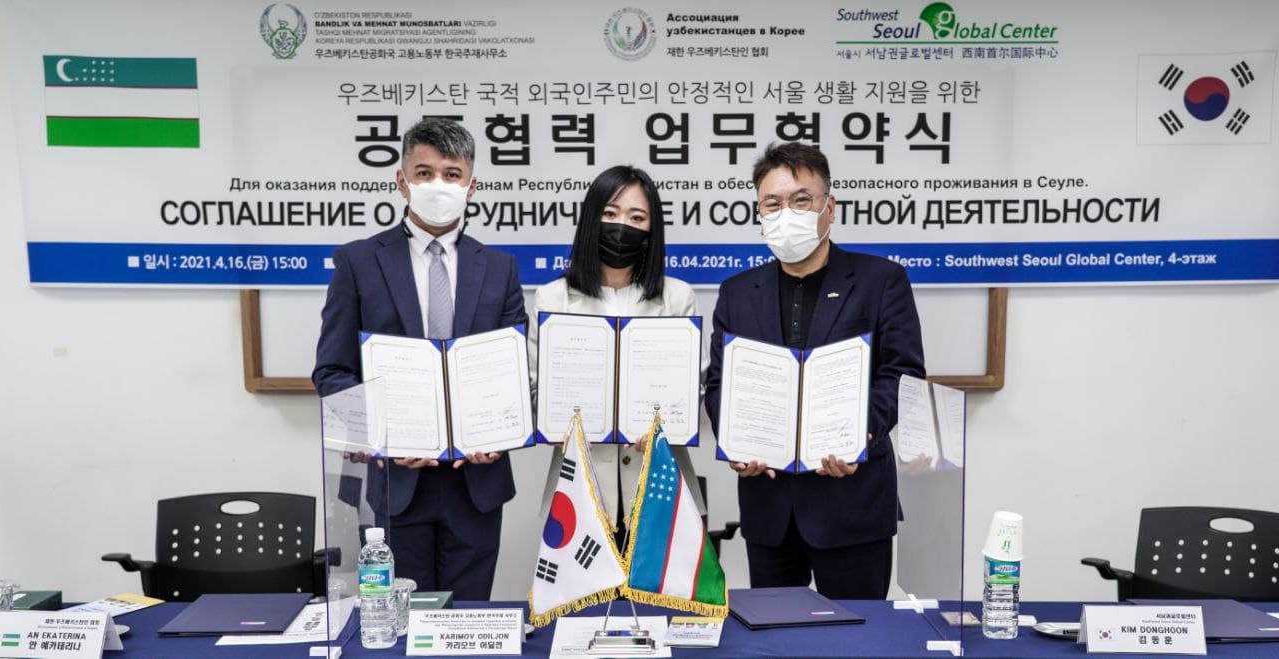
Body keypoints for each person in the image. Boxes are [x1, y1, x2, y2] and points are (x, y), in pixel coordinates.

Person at [312, 118, 526, 600]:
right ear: (401, 181)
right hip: (393, 480)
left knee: (466, 623)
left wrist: (498, 433)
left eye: (452, 174)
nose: (438, 185)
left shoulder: (500, 268)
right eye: (424, 173)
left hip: (476, 482)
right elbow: (332, 371)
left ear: (471, 185)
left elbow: (513, 375)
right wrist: (381, 436)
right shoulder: (358, 262)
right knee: (399, 622)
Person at [704, 142, 925, 599]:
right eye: (773, 204)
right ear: (759, 213)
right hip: (769, 506)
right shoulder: (737, 293)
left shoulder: (881, 281)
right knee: (774, 631)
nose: (787, 213)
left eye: (801, 200)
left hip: (853, 503)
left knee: (857, 632)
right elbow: (720, 383)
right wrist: (737, 443)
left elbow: (902, 375)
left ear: (830, 208)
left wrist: (860, 435)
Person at [530, 165, 706, 545]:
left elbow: (693, 390)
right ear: (591, 219)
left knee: (660, 585)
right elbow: (535, 388)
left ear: (651, 230)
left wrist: (668, 422)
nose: (622, 226)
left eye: (637, 217)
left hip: (659, 487)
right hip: (580, 490)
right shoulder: (553, 298)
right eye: (610, 213)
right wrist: (553, 421)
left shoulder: (677, 297)